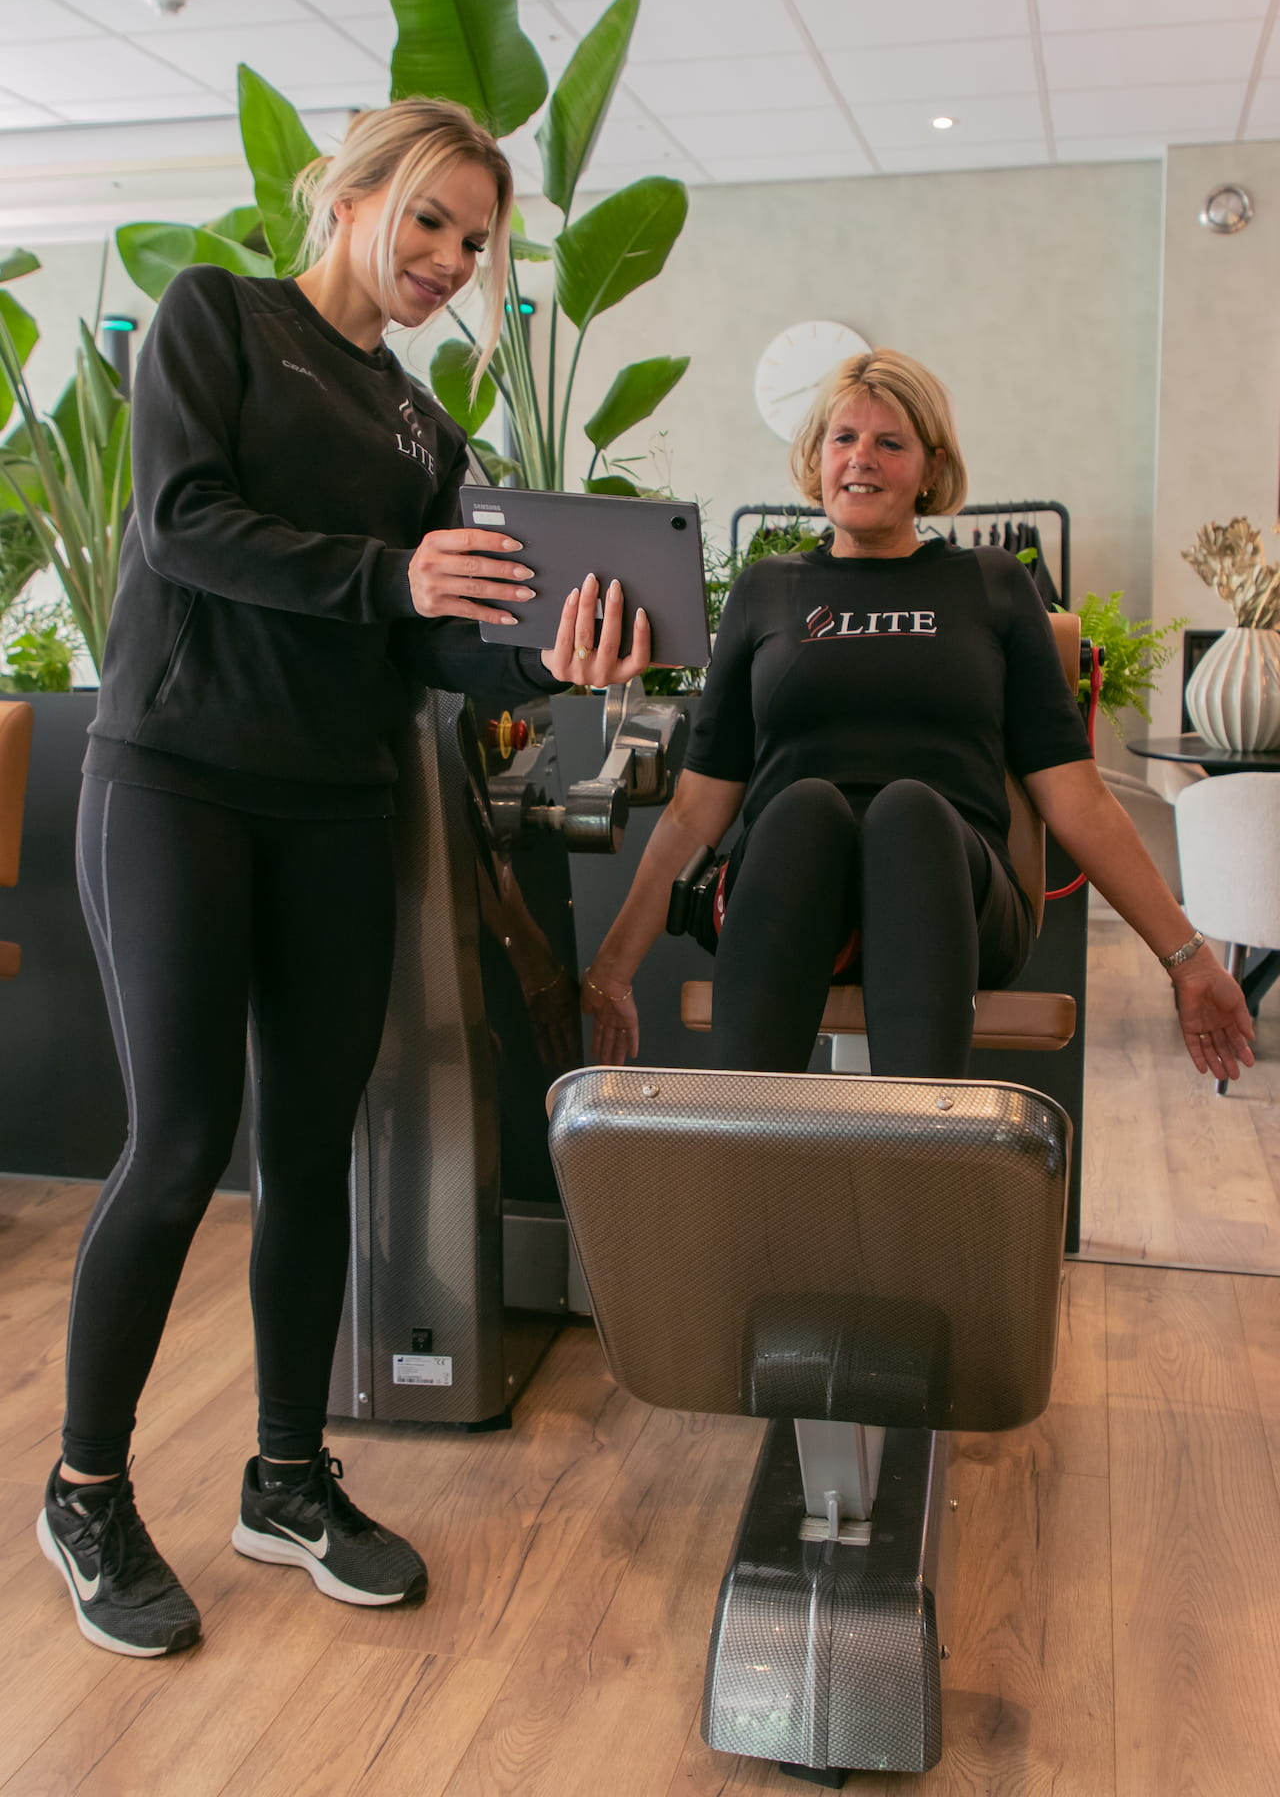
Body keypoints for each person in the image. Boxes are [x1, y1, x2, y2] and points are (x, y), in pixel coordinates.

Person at [38, 98, 650, 1659]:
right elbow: (179, 526)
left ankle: (289, 1477)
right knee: (180, 1147)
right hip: (175, 780)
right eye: (431, 218)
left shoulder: (423, 431)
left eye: (474, 238)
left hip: (335, 801)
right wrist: (393, 575)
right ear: (358, 192)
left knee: (317, 1151)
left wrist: (549, 657)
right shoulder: (216, 320)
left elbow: (427, 641)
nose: (450, 257)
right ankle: (87, 1488)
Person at [582, 348, 1254, 1089]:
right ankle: (751, 1169)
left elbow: (1077, 796)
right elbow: (695, 809)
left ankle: (920, 1175)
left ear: (931, 468)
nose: (860, 459)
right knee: (804, 810)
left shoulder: (993, 586)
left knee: (908, 813)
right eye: (843, 438)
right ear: (816, 455)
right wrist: (612, 970)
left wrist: (1187, 962)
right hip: (787, 894)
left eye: (889, 443)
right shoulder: (765, 591)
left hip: (954, 899)